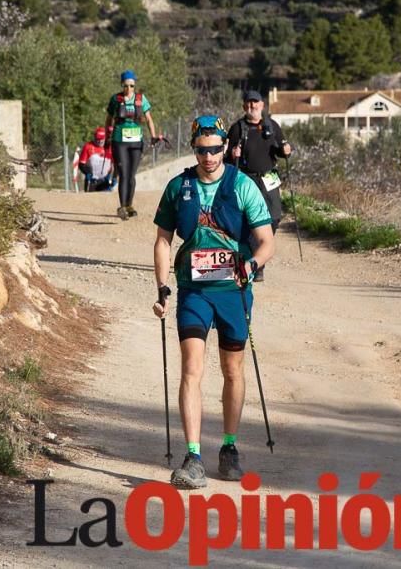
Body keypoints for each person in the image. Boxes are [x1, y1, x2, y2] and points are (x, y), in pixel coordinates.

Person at [152, 115, 276, 489]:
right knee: (192, 368)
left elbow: (267, 240)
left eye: (216, 148)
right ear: (194, 149)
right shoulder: (179, 187)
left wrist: (252, 264)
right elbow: (162, 240)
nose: (209, 156)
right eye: (202, 150)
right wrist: (161, 286)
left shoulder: (243, 187)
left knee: (232, 370)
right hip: (193, 289)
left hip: (233, 290)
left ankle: (229, 446)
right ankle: (193, 457)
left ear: (225, 146)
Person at [226, 90, 292, 282]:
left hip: (270, 180)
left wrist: (287, 150)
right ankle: (257, 265)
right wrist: (232, 154)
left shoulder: (272, 126)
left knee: (274, 218)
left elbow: (282, 150)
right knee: (250, 221)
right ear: (243, 106)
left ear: (262, 105)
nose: (251, 107)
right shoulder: (237, 128)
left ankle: (259, 255)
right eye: (247, 104)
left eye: (254, 103)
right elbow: (226, 157)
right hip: (247, 180)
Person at [105, 70, 159, 219]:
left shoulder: (141, 99)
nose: (128, 89)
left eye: (132, 86)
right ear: (122, 85)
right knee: (123, 173)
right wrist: (107, 138)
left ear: (135, 86)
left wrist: (153, 136)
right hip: (119, 141)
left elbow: (148, 119)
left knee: (131, 176)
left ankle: (129, 205)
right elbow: (108, 119)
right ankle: (122, 207)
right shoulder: (115, 99)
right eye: (126, 85)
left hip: (136, 142)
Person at [77, 127, 114, 192]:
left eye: (102, 139)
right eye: (97, 139)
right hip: (92, 181)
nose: (100, 141)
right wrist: (87, 173)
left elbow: (116, 164)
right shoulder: (88, 147)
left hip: (105, 180)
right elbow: (81, 164)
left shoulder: (110, 148)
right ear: (94, 138)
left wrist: (113, 177)